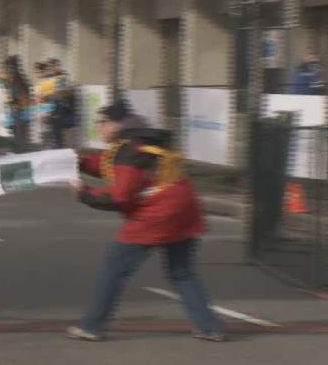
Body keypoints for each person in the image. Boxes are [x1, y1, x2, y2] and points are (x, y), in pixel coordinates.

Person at [66, 105, 226, 343]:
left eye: (103, 122)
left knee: (114, 270)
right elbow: (106, 165)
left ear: (119, 124)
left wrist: (84, 193)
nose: (99, 127)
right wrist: (77, 162)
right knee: (182, 273)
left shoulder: (129, 150)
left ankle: (92, 326)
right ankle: (210, 328)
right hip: (185, 211)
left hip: (156, 215)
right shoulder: (141, 143)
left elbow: (121, 197)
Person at [1, 55, 33, 153]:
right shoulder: (16, 79)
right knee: (16, 131)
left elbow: (21, 96)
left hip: (20, 110)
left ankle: (20, 152)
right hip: (17, 109)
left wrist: (13, 101)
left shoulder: (17, 79)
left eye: (8, 67)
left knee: (19, 132)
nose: (7, 70)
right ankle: (18, 151)